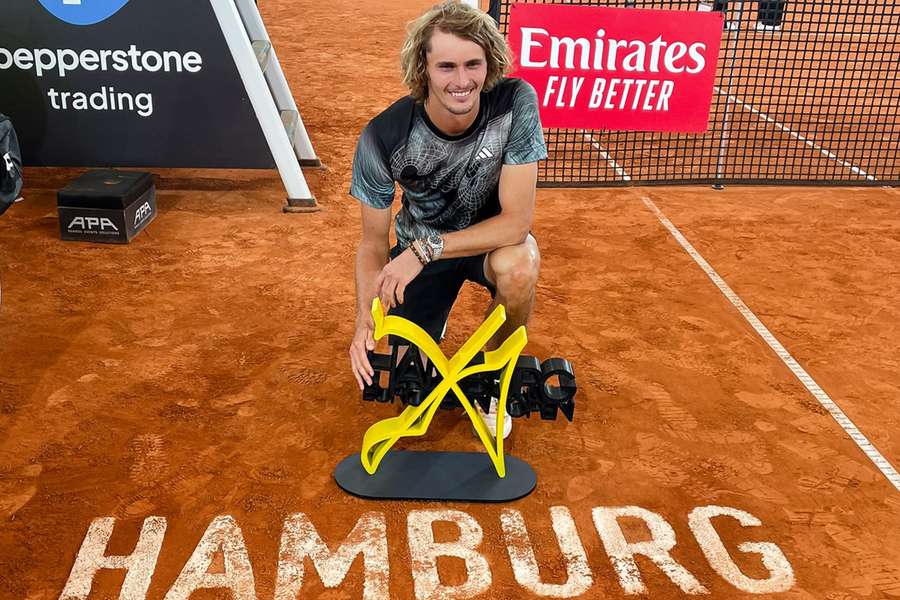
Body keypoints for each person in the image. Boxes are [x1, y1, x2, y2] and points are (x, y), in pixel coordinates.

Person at [348, 0, 546, 438]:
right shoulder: (383, 136)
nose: (462, 81)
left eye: (473, 64)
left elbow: (516, 223)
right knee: (410, 386)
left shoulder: (515, 103)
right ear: (423, 69)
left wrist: (426, 248)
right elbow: (373, 243)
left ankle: (490, 376)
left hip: (487, 245)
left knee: (519, 267)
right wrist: (365, 316)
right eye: (446, 67)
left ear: (489, 63)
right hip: (419, 256)